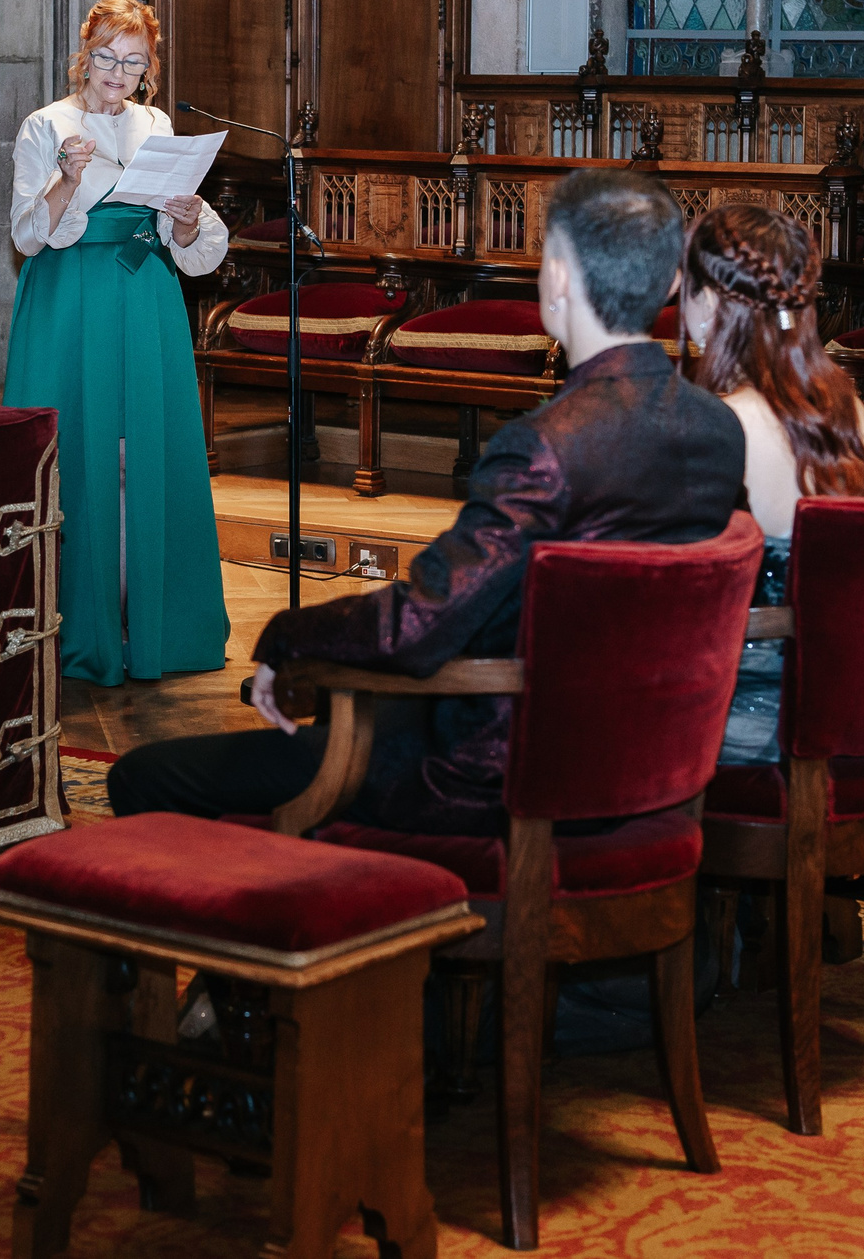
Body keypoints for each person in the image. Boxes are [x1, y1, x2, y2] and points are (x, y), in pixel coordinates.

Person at [105, 168, 746, 835]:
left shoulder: (541, 447)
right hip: (644, 763)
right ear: (672, 283)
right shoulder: (718, 429)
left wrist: (288, 637)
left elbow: (417, 626)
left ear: (556, 276)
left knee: (143, 775)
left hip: (487, 775)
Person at [1, 0, 231, 687]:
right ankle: (80, 626)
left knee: (141, 453)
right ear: (85, 53)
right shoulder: (46, 124)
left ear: (149, 68)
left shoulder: (155, 123)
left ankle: (145, 624)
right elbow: (25, 235)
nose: (117, 71)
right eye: (106, 55)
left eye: (134, 61)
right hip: (71, 295)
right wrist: (68, 178)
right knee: (77, 453)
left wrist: (185, 219)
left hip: (144, 293)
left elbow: (178, 235)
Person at [681, 204, 864, 766]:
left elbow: (675, 582)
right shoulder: (847, 408)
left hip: (754, 715)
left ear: (709, 304)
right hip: (854, 697)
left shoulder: (725, 423)